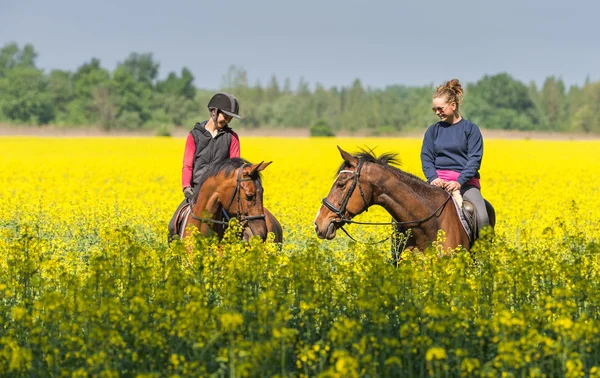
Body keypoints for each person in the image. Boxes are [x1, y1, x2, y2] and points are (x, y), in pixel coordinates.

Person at [168, 92, 241, 240]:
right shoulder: (194, 135)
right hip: (197, 192)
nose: (227, 120)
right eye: (225, 116)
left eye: (230, 118)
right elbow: (187, 165)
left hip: (221, 195)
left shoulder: (232, 138)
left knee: (240, 228)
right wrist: (186, 187)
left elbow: (235, 169)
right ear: (214, 112)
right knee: (173, 225)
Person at [420, 78, 490, 233]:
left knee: (483, 218)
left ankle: (482, 256)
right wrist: (433, 178)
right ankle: (397, 255)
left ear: (453, 105)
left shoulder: (471, 129)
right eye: (434, 110)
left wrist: (459, 182)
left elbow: (474, 160)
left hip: (465, 184)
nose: (437, 112)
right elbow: (426, 158)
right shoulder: (433, 131)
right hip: (437, 183)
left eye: (440, 108)